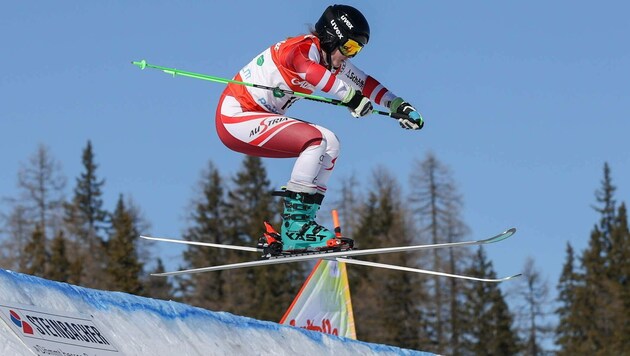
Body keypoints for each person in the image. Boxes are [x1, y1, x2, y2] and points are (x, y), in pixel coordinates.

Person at [215, 4, 423, 254]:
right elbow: (309, 71)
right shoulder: (302, 48)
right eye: (349, 47)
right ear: (332, 36)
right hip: (237, 116)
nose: (350, 56)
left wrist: (398, 105)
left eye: (356, 50)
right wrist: (350, 97)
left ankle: (299, 225)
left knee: (330, 142)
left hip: (257, 119)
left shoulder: (332, 62)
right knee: (314, 140)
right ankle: (296, 227)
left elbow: (365, 82)